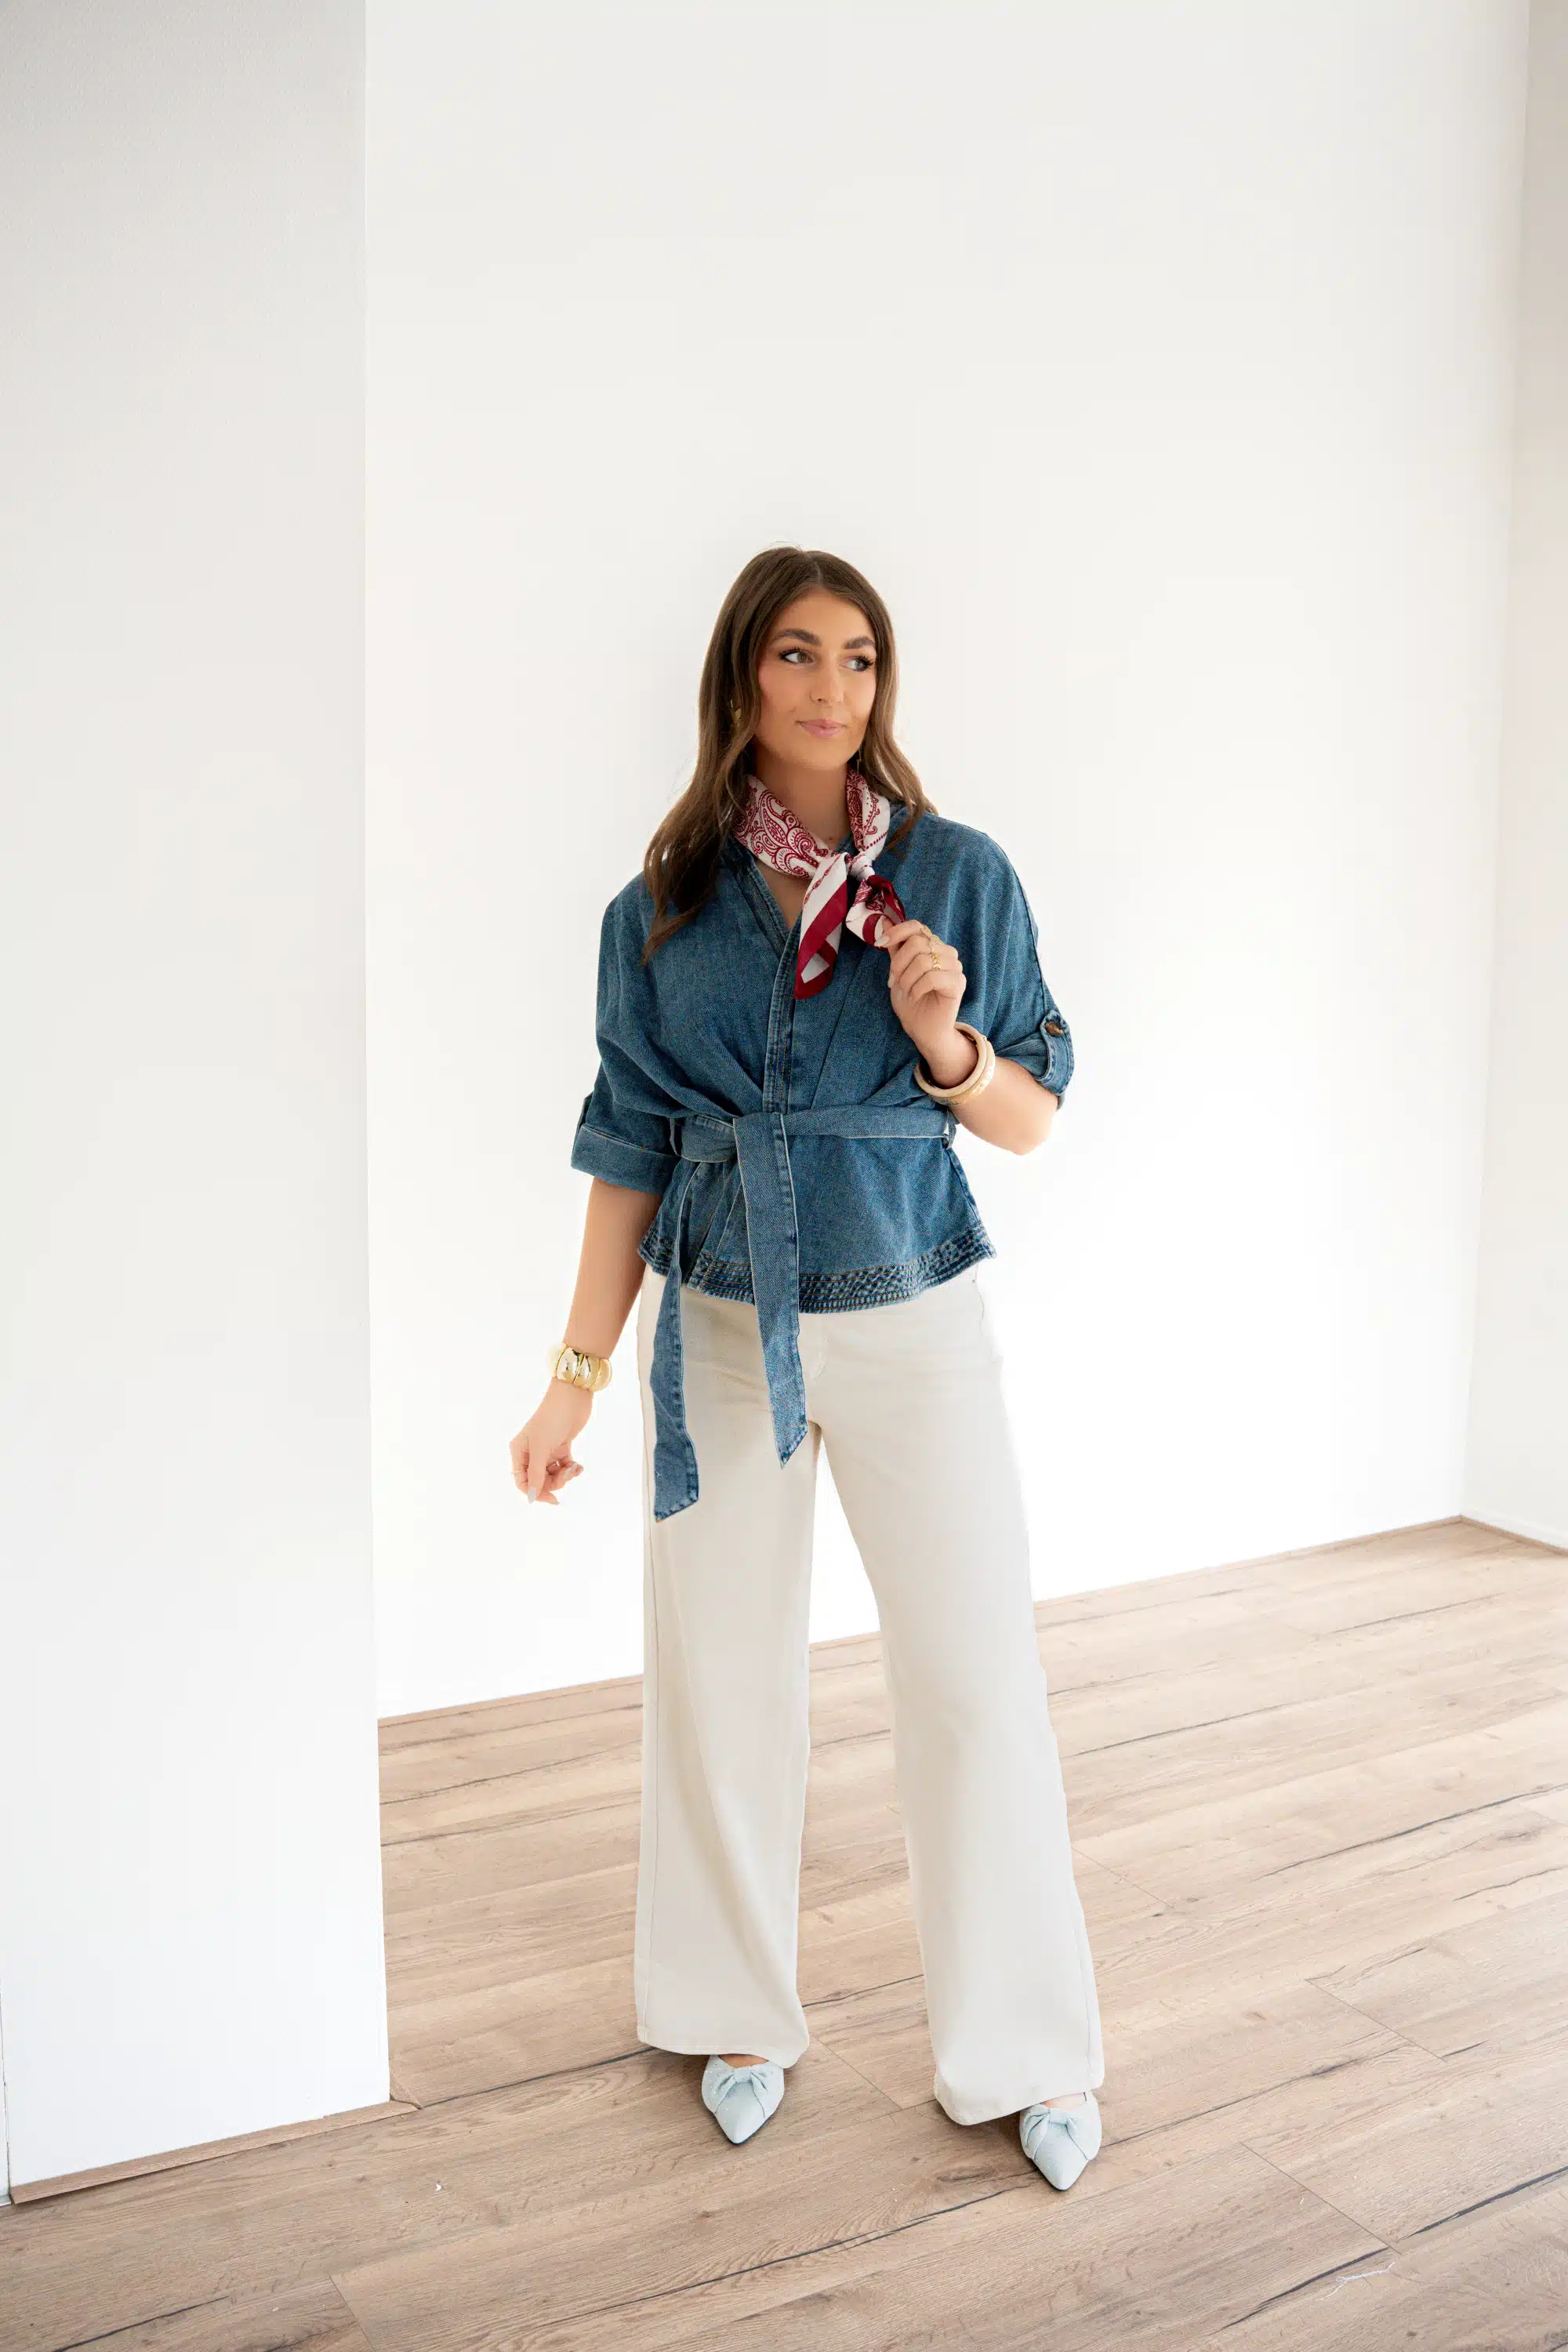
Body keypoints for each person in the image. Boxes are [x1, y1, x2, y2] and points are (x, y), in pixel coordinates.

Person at [510, 546, 1105, 2190]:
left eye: (857, 656)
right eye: (796, 653)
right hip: (715, 1321)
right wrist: (572, 1374)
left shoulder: (957, 875)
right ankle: (731, 2014)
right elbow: (628, 1149)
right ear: (741, 677)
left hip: (915, 1318)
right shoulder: (660, 906)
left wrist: (945, 1041)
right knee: (719, 1681)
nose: (831, 686)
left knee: (975, 1680)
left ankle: (1026, 2048)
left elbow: (1033, 1117)